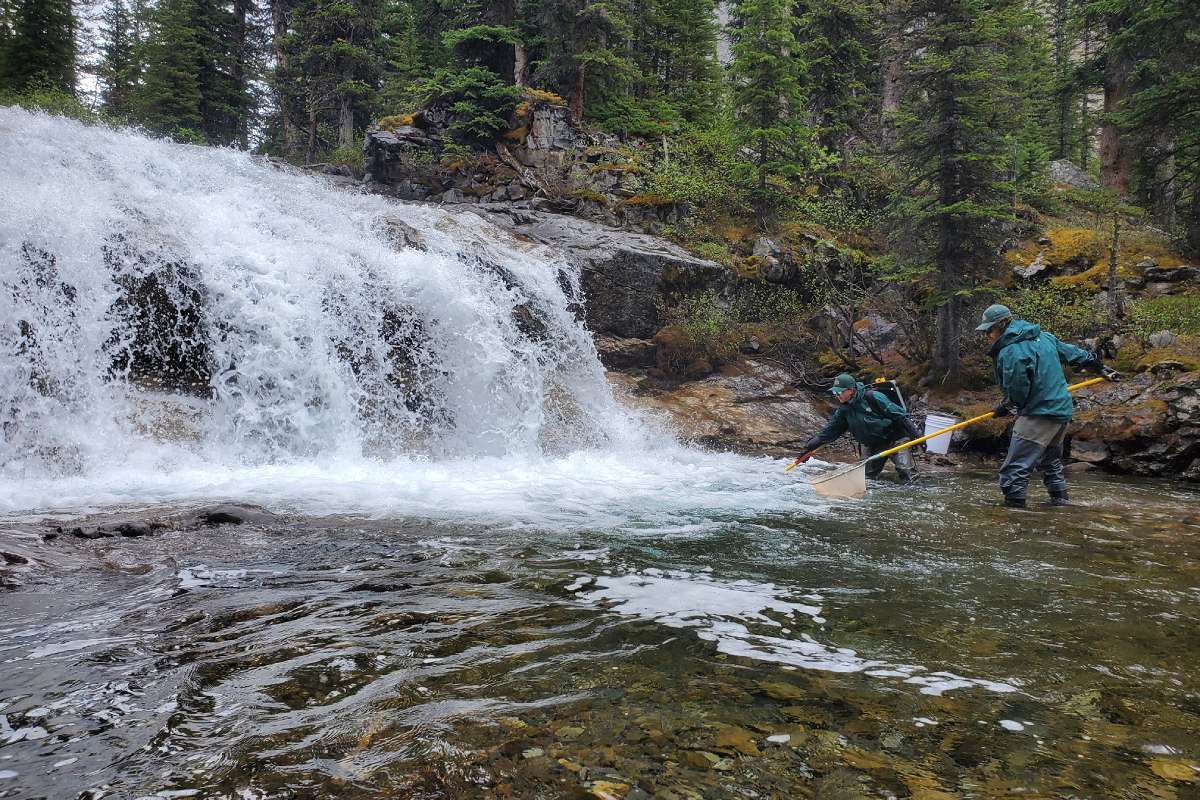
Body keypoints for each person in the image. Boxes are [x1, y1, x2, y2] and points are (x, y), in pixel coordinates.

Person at [976, 303, 1120, 508]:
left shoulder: (1011, 350)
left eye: (989, 330)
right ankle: (1059, 506)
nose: (987, 335)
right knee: (1050, 463)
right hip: (1061, 412)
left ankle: (1013, 516)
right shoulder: (1043, 337)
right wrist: (1099, 366)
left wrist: (1008, 404)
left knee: (1014, 470)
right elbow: (1073, 353)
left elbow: (1017, 387)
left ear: (1001, 325)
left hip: (1038, 414)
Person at [794, 373, 921, 482]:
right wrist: (808, 449)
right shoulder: (843, 411)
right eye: (834, 392)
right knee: (865, 479)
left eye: (839, 392)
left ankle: (916, 493)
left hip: (895, 439)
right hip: (871, 444)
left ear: (850, 390)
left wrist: (917, 437)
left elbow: (901, 416)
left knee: (906, 471)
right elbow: (829, 432)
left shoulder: (873, 397)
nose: (837, 395)